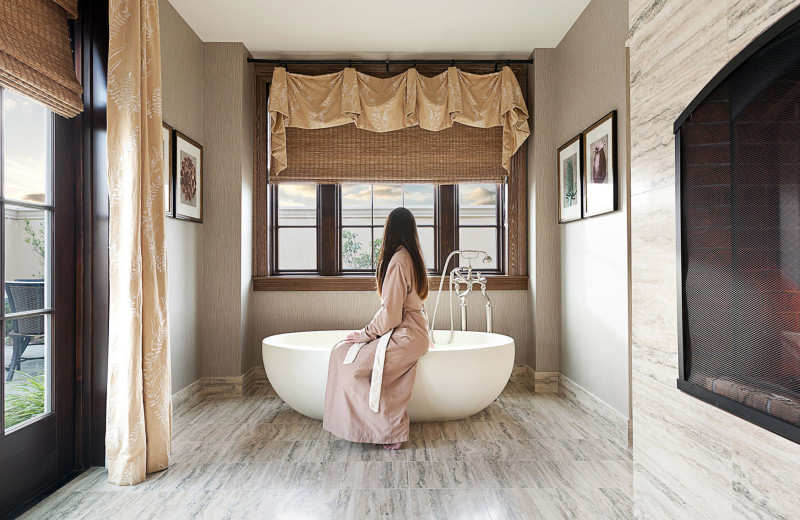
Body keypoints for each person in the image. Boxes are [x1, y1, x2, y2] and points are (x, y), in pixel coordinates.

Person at [323, 207, 430, 450]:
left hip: (406, 335)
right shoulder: (412, 257)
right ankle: (380, 427)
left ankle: (387, 430)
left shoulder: (398, 260)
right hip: (413, 334)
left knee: (345, 359)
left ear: (389, 230)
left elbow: (391, 315)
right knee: (347, 354)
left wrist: (364, 334)